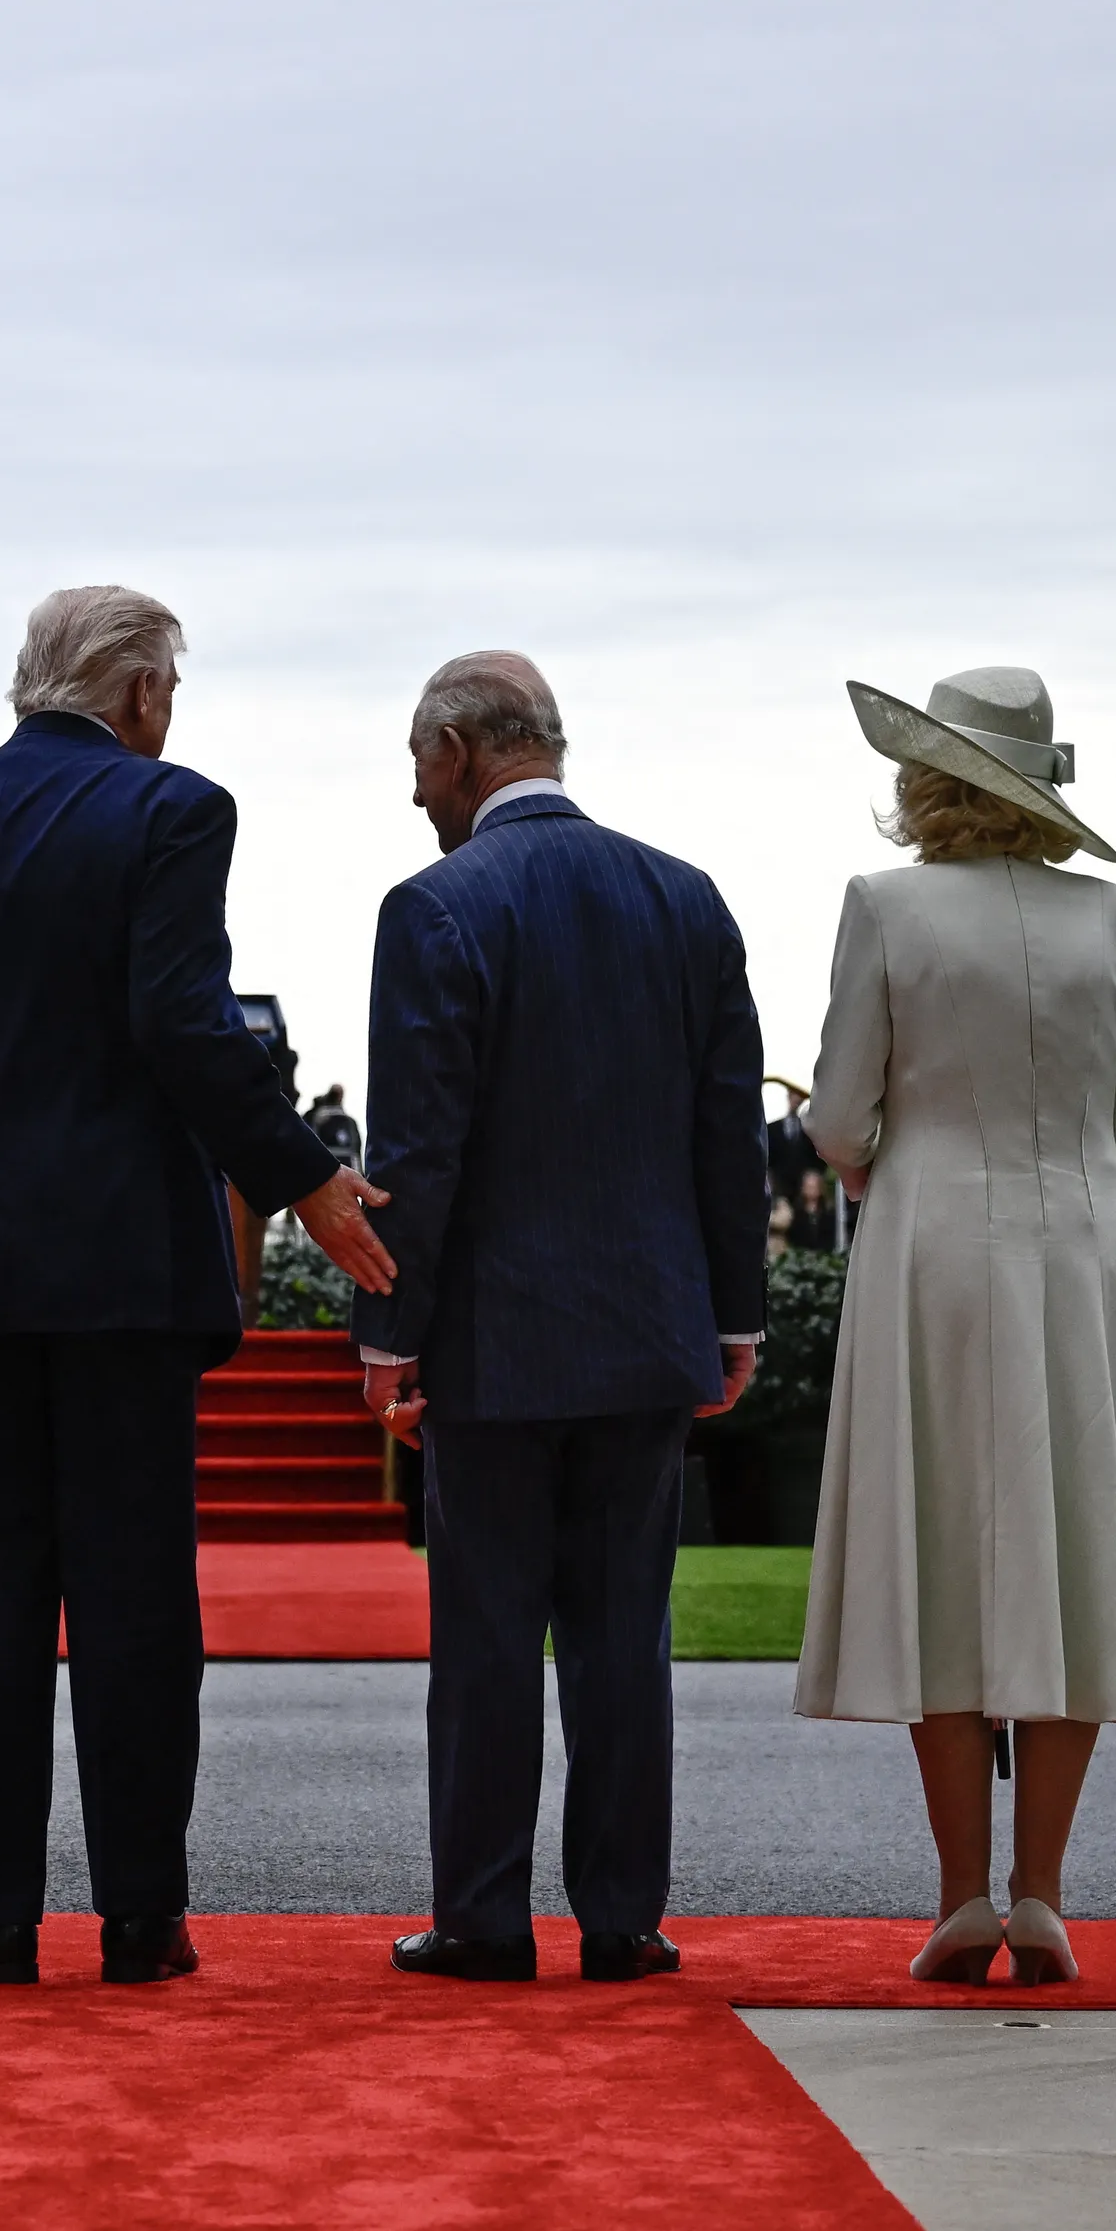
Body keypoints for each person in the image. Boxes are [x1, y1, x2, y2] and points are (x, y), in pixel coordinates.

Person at [0, 586, 396, 1989]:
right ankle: (142, 1916)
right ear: (141, 692)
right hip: (117, 1271)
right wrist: (303, 1175)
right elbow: (180, 1020)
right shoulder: (172, 811)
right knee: (135, 1600)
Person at [351, 654, 765, 1986]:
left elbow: (420, 1148)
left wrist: (390, 1333)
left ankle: (482, 1916)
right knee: (622, 1639)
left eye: (419, 764)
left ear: (461, 751)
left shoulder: (436, 906)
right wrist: (735, 1315)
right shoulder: (685, 899)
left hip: (495, 1339)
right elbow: (728, 1133)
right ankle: (623, 1919)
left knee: (485, 1638)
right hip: (647, 1328)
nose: (417, 795)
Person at [794, 666, 1116, 1988]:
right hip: (1083, 1247)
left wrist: (885, 1153)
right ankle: (1044, 1893)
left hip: (934, 1252)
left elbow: (836, 1119)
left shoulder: (885, 906)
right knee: (1069, 1556)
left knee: (945, 1555)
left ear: (928, 777)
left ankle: (964, 1893)